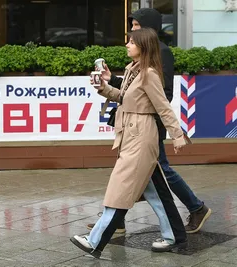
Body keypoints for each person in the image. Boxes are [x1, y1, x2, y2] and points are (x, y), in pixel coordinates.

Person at [87, 8, 211, 234]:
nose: (132, 32)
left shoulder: (162, 52)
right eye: (133, 26)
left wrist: (170, 130)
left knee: (157, 172)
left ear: (149, 29)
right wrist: (110, 81)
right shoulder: (139, 58)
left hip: (149, 126)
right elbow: (134, 86)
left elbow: (161, 93)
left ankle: (194, 209)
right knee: (136, 173)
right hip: (136, 126)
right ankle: (117, 220)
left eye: (136, 26)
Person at [70, 28, 189, 258]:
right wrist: (104, 86)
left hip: (141, 138)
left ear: (143, 47)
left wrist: (177, 135)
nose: (127, 44)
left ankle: (94, 241)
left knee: (120, 189)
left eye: (132, 42)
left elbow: (163, 106)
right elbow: (124, 98)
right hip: (132, 136)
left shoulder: (149, 74)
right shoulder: (133, 70)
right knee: (156, 192)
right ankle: (175, 235)